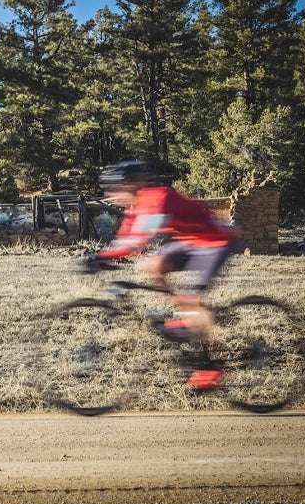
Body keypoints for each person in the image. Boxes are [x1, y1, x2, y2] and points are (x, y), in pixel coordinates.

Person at [94, 160, 241, 390]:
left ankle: (210, 367)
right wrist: (102, 255)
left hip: (216, 242)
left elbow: (139, 238)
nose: (110, 195)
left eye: (113, 188)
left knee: (190, 298)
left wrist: (104, 257)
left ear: (130, 185)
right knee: (152, 265)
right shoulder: (137, 206)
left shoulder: (158, 198)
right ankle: (183, 314)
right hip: (192, 242)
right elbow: (125, 237)